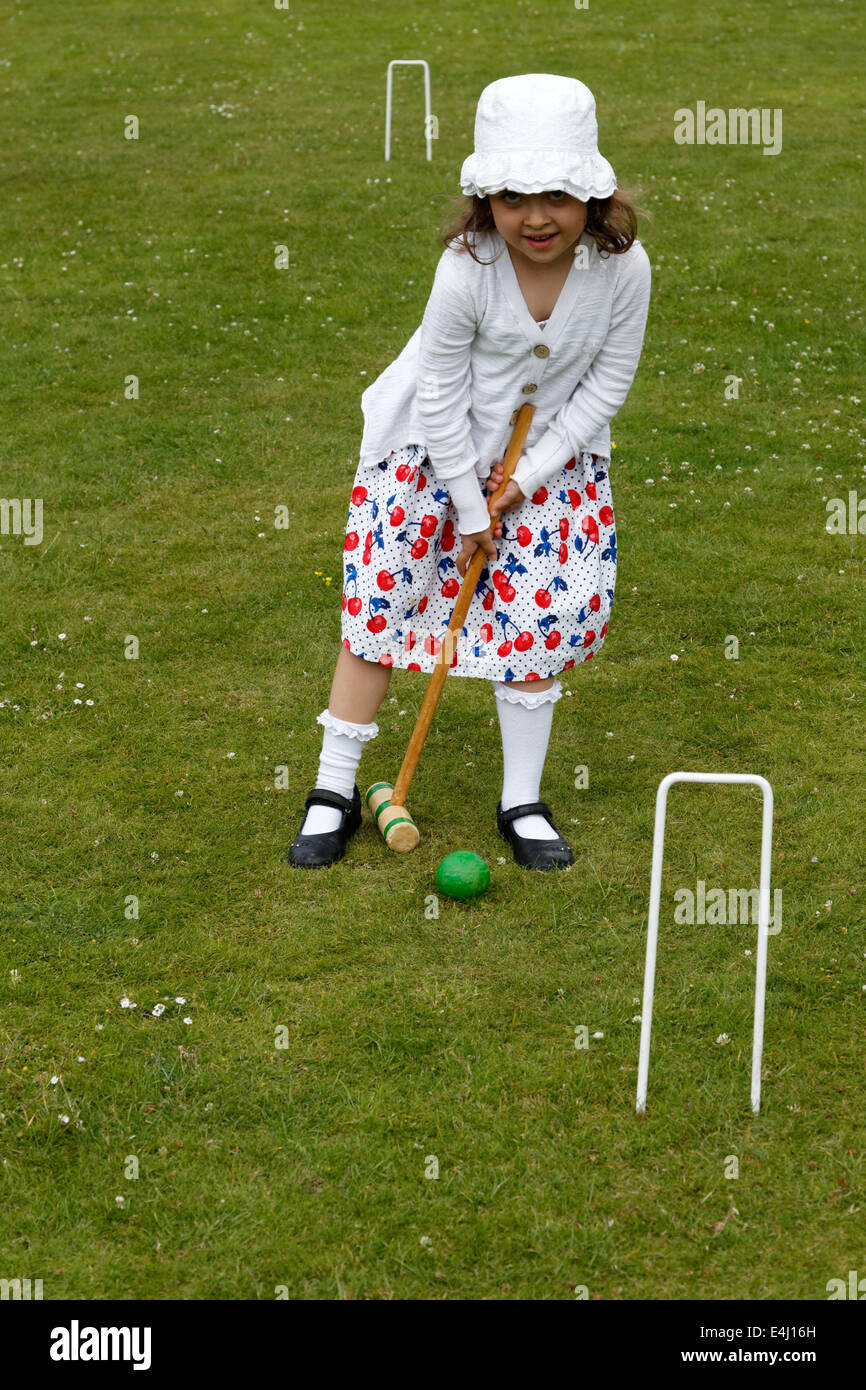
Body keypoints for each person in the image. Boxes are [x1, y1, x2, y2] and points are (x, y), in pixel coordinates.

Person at [289, 72, 651, 870]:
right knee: (382, 603)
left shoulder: (624, 273)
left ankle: (521, 800)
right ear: (486, 197)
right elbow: (438, 390)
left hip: (549, 459)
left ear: (592, 194)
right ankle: (334, 787)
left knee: (537, 620)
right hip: (432, 450)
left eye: (556, 195)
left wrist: (527, 482)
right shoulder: (468, 269)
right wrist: (470, 505)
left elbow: (606, 388)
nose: (536, 217)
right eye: (514, 197)